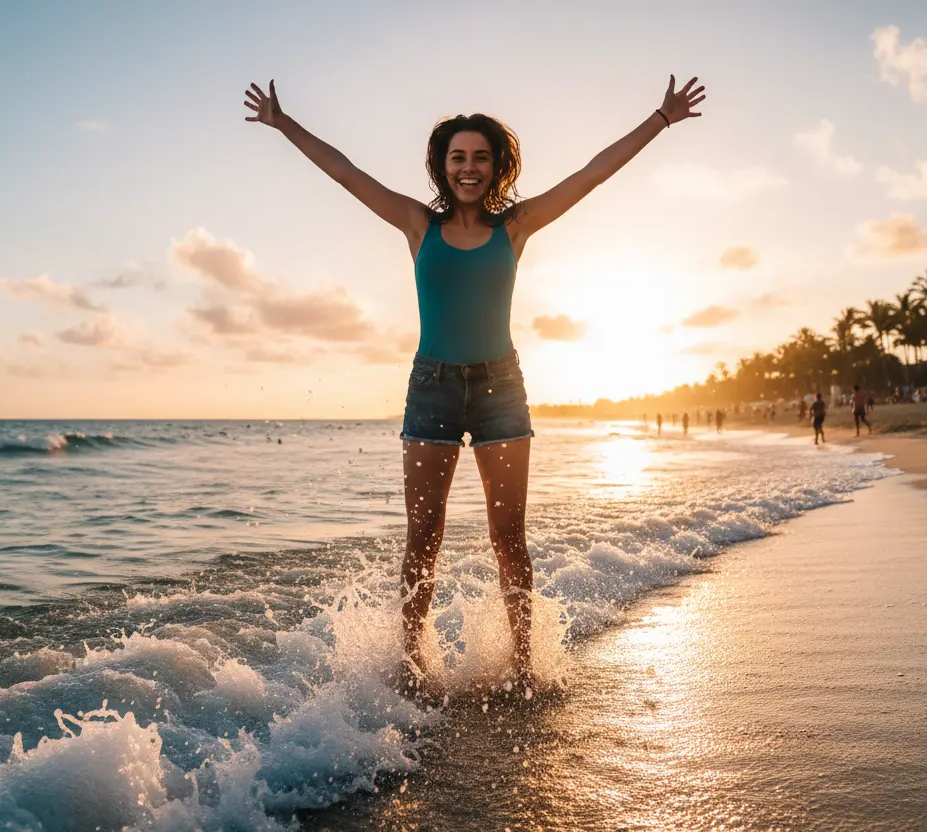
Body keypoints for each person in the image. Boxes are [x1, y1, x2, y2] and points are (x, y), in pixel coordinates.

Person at [243, 75, 705, 695]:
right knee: (423, 536)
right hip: (432, 387)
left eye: (480, 157)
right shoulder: (416, 225)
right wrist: (283, 122)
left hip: (501, 389)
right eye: (458, 157)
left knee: (508, 535)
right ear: (443, 166)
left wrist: (661, 118)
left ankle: (523, 668)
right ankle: (410, 668)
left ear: (496, 166)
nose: (469, 167)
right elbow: (346, 173)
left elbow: (591, 175)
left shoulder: (515, 227)